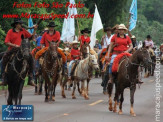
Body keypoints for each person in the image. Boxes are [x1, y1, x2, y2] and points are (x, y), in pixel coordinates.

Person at [0, 18, 37, 86]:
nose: (21, 25)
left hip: (23, 50)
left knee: (31, 59)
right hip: (12, 49)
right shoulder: (10, 31)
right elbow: (6, 42)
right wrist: (15, 45)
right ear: (16, 24)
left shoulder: (23, 30)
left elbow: (31, 38)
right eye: (20, 24)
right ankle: (3, 79)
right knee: (3, 60)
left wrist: (34, 29)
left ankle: (31, 79)